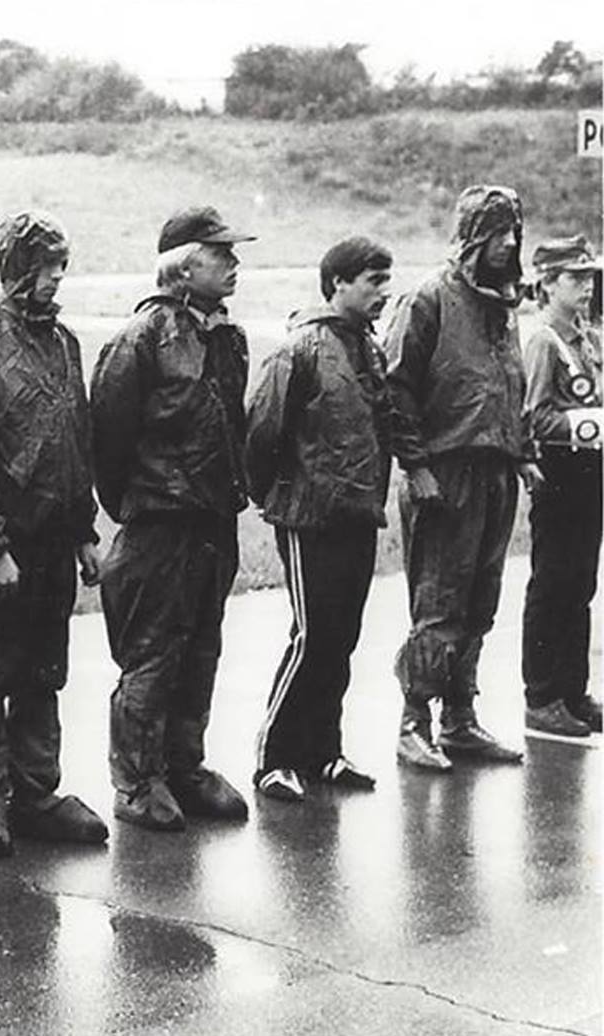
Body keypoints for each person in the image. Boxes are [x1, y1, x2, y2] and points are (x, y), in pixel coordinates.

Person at [0, 211, 107, 856]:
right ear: (16, 269)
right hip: (3, 551)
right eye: (44, 267)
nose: (56, 278)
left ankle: (35, 793)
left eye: (61, 266)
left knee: (43, 673)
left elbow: (76, 440)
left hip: (55, 545)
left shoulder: (64, 344)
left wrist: (84, 532)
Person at [90, 205, 254, 832]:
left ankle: (185, 765)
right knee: (152, 653)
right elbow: (109, 440)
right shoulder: (140, 339)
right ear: (184, 267)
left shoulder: (228, 338)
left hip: (213, 521)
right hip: (159, 522)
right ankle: (136, 781)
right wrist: (143, 503)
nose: (234, 265)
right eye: (220, 254)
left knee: (202, 646)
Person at [385, 185, 540, 770]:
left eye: (514, 232)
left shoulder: (503, 306)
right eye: (497, 232)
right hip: (445, 472)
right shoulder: (429, 298)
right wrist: (416, 464)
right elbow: (396, 387)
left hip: (496, 472)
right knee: (440, 602)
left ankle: (460, 718)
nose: (508, 244)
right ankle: (413, 722)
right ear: (472, 235)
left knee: (480, 601)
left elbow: (509, 386)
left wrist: (523, 454)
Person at [244, 237, 396, 802]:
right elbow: (262, 431)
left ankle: (323, 751)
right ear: (337, 283)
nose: (384, 291)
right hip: (309, 517)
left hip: (359, 513)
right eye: (373, 280)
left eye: (387, 279)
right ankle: (274, 758)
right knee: (313, 636)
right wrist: (273, 494)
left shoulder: (368, 347)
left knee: (342, 638)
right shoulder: (300, 348)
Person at [519, 235, 602, 737]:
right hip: (558, 472)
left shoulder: (586, 338)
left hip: (591, 472)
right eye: (575, 278)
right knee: (552, 581)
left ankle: (573, 690)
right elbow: (533, 416)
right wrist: (592, 423)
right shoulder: (543, 342)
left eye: (590, 277)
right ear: (548, 284)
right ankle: (543, 694)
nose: (587, 286)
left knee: (580, 582)